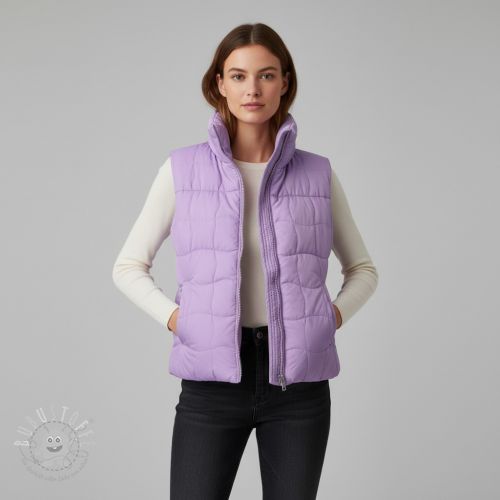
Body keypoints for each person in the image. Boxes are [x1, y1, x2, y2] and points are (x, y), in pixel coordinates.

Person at [112, 22, 378, 500]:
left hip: (297, 389)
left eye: (266, 75)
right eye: (238, 76)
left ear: (285, 83)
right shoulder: (182, 169)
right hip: (211, 385)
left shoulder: (317, 174)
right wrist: (180, 320)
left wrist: (328, 318)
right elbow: (128, 266)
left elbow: (363, 269)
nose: (252, 89)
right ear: (219, 83)